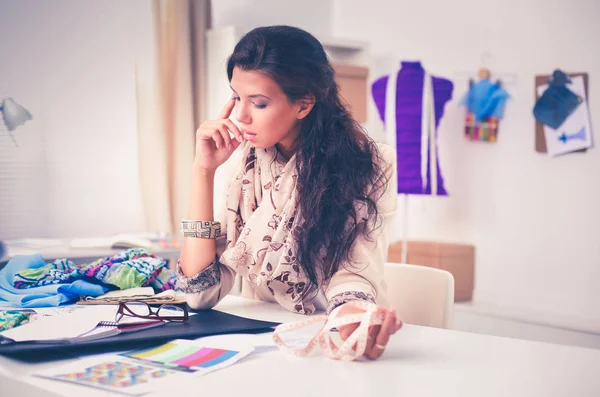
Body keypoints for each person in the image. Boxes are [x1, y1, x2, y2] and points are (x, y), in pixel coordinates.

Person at [177, 25, 401, 360]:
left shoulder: (369, 162)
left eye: (260, 103)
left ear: (304, 104)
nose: (241, 115)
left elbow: (353, 272)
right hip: (259, 340)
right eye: (237, 97)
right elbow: (199, 293)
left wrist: (352, 320)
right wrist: (203, 170)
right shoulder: (245, 164)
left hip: (328, 336)